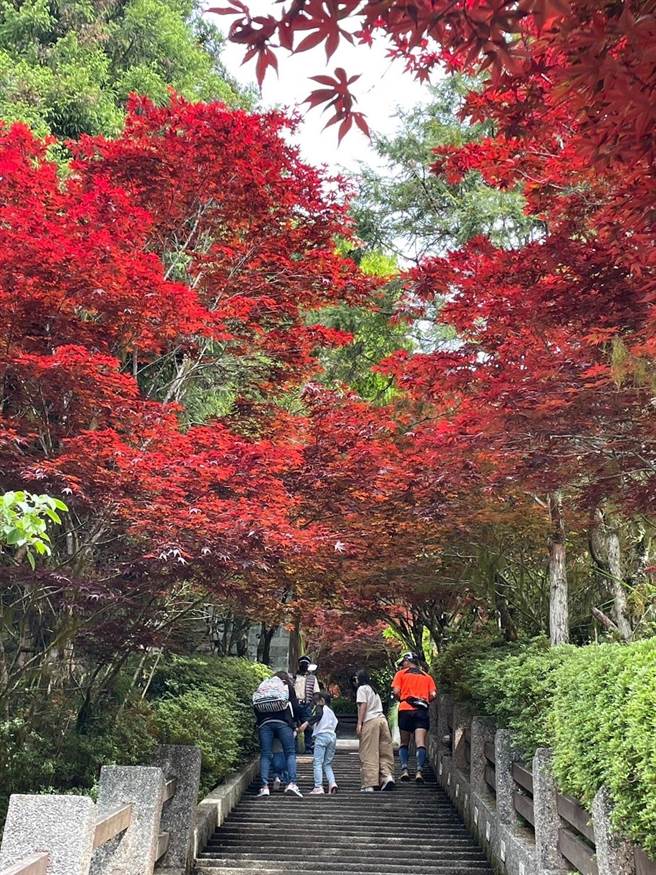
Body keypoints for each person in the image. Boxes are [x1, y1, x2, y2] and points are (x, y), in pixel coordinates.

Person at [253, 671, 303, 798]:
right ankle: (292, 783)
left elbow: (256, 706)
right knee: (290, 753)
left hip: (265, 723)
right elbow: (296, 707)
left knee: (265, 754)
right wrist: (296, 723)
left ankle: (264, 787)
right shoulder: (286, 686)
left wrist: (260, 721)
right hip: (283, 723)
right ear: (285, 679)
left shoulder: (265, 687)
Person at [391, 652, 437, 783]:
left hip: (405, 709)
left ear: (407, 661)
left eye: (403, 663)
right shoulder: (427, 677)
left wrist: (401, 699)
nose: (402, 666)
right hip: (421, 711)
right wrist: (424, 699)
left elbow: (396, 691)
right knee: (420, 742)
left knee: (404, 742)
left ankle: (405, 770)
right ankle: (419, 772)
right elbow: (433, 694)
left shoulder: (400, 674)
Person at [355, 669, 395, 793]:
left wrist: (359, 723)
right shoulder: (374, 690)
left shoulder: (362, 689)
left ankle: (370, 783)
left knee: (369, 752)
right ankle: (387, 776)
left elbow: (363, 705)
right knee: (384, 751)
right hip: (382, 720)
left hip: (370, 721)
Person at [299, 690, 339, 795]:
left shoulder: (320, 707)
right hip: (332, 736)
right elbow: (335, 723)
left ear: (322, 700)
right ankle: (332, 783)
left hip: (322, 736)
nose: (315, 703)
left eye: (316, 701)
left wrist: (307, 723)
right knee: (327, 763)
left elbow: (319, 715)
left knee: (317, 762)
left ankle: (318, 786)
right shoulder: (331, 711)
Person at [293, 656, 320, 754]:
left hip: (306, 705)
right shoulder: (293, 677)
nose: (303, 665)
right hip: (295, 704)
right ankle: (294, 748)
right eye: (302, 664)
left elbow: (316, 692)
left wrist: (312, 704)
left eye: (305, 664)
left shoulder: (312, 678)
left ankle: (308, 748)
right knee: (293, 726)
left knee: (308, 727)